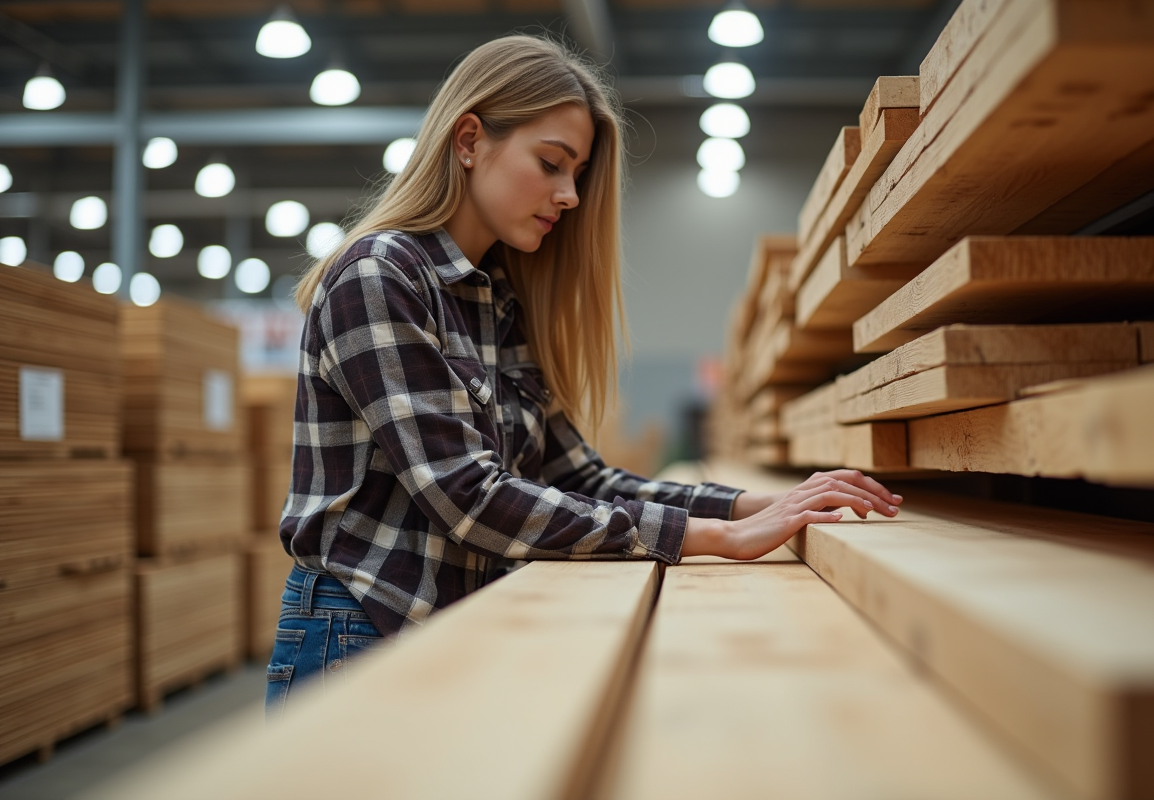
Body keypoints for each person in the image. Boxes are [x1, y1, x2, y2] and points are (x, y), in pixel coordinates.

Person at [265, 34, 902, 716]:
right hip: (360, 630)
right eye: (551, 165)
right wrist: (711, 538)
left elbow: (579, 478)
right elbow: (467, 496)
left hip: (452, 628)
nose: (569, 195)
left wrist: (754, 505)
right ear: (470, 138)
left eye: (578, 175)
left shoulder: (497, 302)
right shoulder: (378, 275)